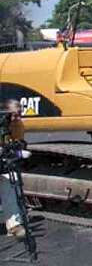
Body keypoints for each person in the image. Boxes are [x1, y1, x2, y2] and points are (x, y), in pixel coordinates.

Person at [1, 100, 27, 239]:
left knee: (11, 183)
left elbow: (17, 143)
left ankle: (14, 225)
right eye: (14, 115)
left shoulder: (18, 125)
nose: (17, 118)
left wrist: (17, 152)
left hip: (3, 160)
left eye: (19, 114)